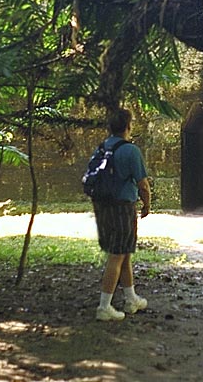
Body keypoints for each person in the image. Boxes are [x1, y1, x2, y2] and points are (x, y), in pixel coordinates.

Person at [92, 108, 152, 321]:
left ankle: (130, 298)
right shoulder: (130, 150)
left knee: (123, 252)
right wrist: (147, 204)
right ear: (128, 126)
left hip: (103, 207)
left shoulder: (102, 147)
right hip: (122, 207)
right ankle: (104, 306)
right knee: (117, 256)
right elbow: (142, 183)